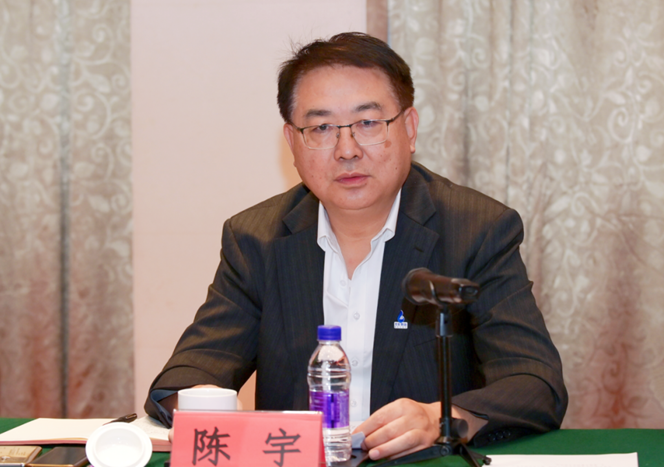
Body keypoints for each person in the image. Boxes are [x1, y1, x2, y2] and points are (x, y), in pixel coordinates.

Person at [145, 32, 568, 461]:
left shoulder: (476, 230)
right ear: (293, 142)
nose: (346, 150)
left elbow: (535, 382)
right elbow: (188, 372)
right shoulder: (256, 239)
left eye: (368, 123)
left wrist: (443, 417)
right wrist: (201, 403)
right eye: (321, 128)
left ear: (409, 129)